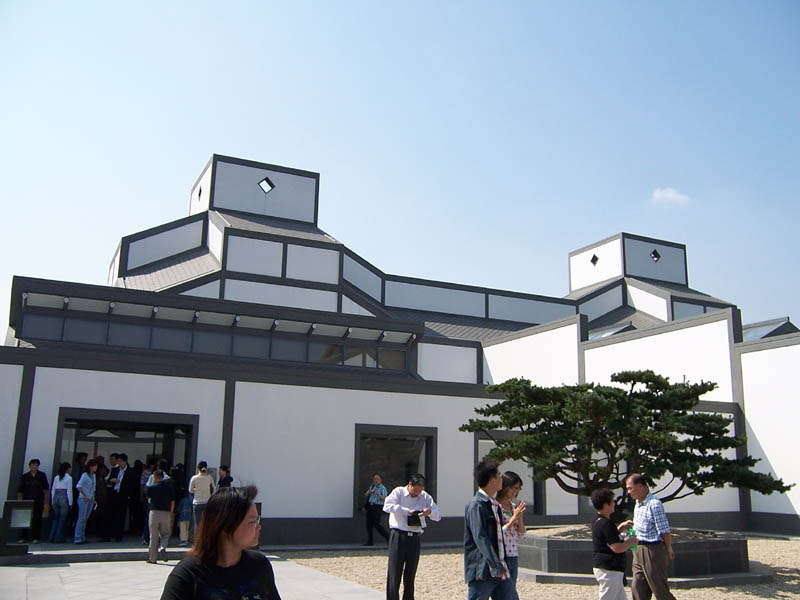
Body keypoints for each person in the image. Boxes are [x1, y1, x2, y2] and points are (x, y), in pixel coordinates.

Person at [160, 485, 281, 600]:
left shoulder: (259, 565)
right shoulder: (188, 574)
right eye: (252, 522)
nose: (258, 527)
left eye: (257, 520)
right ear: (225, 526)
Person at [383, 473, 441, 600]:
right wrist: (406, 511)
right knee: (394, 572)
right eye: (415, 490)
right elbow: (387, 506)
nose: (417, 494)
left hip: (414, 537)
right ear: (409, 485)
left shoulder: (425, 497)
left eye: (420, 491)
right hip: (399, 535)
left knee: (411, 573)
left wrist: (429, 512)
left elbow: (438, 515)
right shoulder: (398, 492)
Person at [464, 460, 512, 600]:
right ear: (492, 480)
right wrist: (495, 565)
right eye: (499, 475)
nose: (502, 478)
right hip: (483, 569)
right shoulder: (476, 505)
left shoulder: (494, 504)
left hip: (500, 567)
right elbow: (480, 537)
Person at [625, 474, 676, 600]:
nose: (629, 492)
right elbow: (636, 527)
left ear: (640, 486)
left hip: (653, 550)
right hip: (638, 548)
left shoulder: (654, 504)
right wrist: (632, 547)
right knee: (637, 587)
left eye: (631, 488)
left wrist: (668, 548)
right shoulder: (637, 503)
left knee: (659, 588)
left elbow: (664, 530)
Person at [591, 488, 638, 600]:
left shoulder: (598, 521)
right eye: (612, 501)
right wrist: (631, 541)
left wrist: (619, 529)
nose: (614, 503)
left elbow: (607, 538)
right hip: (609, 569)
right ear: (605, 505)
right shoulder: (606, 524)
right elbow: (616, 547)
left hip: (607, 568)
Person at [496, 471, 527, 600]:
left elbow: (521, 535)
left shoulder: (514, 507)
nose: (516, 491)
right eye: (514, 488)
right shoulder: (496, 506)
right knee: (508, 593)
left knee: (510, 589)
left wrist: (519, 517)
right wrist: (513, 518)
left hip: (513, 553)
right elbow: (497, 532)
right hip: (501, 554)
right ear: (506, 486)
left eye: (518, 488)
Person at [17, 458, 50, 543]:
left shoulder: (41, 475)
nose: (34, 467)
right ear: (30, 466)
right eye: (33, 465)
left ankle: (35, 537)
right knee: (25, 518)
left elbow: (46, 489)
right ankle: (23, 537)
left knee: (37, 519)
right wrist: (19, 501)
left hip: (38, 500)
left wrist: (46, 502)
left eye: (36, 465)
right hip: (27, 499)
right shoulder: (25, 476)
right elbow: (20, 490)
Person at [146, 470, 175, 564]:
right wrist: (170, 512)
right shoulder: (169, 488)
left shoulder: (151, 487)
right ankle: (163, 547)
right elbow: (172, 501)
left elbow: (149, 498)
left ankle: (152, 558)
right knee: (165, 534)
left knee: (153, 536)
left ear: (155, 477)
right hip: (166, 512)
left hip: (154, 512)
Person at [107, 452, 137, 541]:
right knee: (112, 514)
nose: (119, 463)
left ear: (125, 461)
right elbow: (108, 480)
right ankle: (110, 533)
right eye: (118, 461)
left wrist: (129, 495)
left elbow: (133, 484)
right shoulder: (115, 470)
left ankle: (118, 535)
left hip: (123, 494)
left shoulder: (130, 471)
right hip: (114, 493)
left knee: (121, 515)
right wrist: (111, 480)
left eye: (120, 461)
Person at [74, 458, 98, 544]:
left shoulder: (93, 476)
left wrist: (94, 498)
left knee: (85, 518)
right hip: (83, 499)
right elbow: (78, 486)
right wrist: (84, 495)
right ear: (91, 466)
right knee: (81, 518)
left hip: (90, 498)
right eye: (95, 466)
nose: (96, 468)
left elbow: (93, 488)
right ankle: (77, 538)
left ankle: (82, 537)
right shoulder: (85, 475)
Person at [48, 462, 73, 543]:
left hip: (56, 496)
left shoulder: (57, 477)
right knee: (62, 519)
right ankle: (58, 537)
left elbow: (53, 489)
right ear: (67, 469)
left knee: (56, 518)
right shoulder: (69, 478)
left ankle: (51, 536)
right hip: (64, 497)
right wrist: (70, 503)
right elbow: (69, 491)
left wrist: (52, 500)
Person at [188, 461, 216, 533]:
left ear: (198, 468)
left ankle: (197, 538)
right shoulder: (209, 477)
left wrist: (196, 489)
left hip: (197, 503)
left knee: (197, 524)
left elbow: (190, 490)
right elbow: (214, 488)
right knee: (207, 523)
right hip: (207, 503)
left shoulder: (194, 478)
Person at [364, 472, 389, 546]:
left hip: (377, 507)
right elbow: (366, 495)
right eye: (374, 479)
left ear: (381, 480)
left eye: (377, 479)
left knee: (376, 524)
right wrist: (369, 492)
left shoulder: (382, 488)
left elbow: (385, 498)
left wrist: (378, 493)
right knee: (368, 524)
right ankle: (370, 540)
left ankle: (387, 536)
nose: (375, 480)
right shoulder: (372, 486)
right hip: (370, 506)